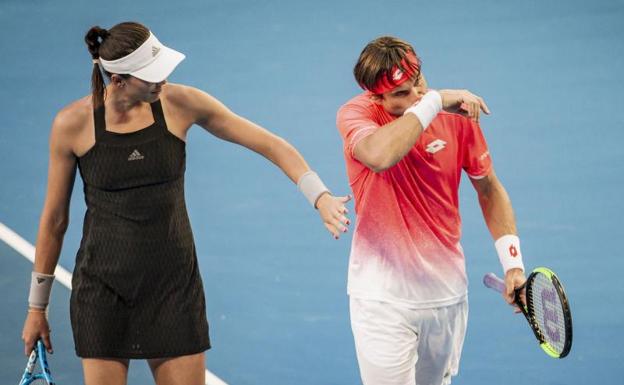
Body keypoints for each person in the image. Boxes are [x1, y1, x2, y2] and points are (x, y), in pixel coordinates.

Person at [21, 21, 351, 385]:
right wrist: (37, 307)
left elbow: (269, 144)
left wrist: (318, 195)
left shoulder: (181, 103)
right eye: (150, 77)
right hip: (102, 292)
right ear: (118, 79)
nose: (161, 82)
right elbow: (54, 221)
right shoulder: (72, 125)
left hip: (173, 289)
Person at [336, 36, 527, 385]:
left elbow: (489, 188)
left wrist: (512, 263)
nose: (416, 97)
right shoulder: (356, 115)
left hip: (446, 297)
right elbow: (378, 157)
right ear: (375, 97)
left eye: (419, 84)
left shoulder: (457, 119)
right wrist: (436, 101)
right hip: (382, 300)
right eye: (401, 95)